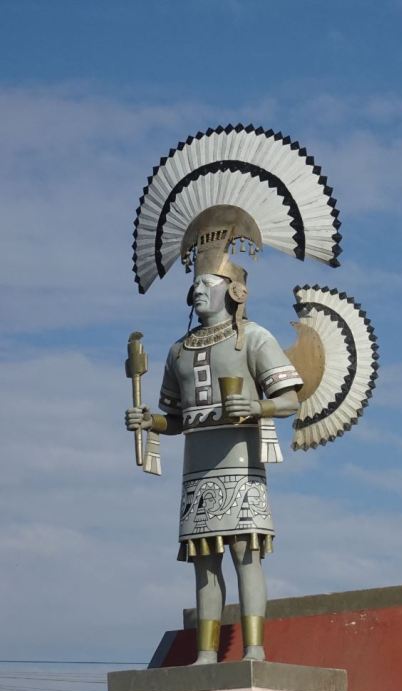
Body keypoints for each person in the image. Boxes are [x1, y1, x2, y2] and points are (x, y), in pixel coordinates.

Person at [126, 211, 302, 663]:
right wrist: (150, 422)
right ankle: (205, 653)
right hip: (198, 472)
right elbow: (177, 418)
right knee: (204, 561)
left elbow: (291, 400)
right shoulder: (177, 352)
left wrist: (257, 406)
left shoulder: (254, 339)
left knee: (247, 554)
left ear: (234, 290)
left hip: (242, 466)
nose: (201, 289)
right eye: (197, 284)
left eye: (210, 282)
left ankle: (254, 649)